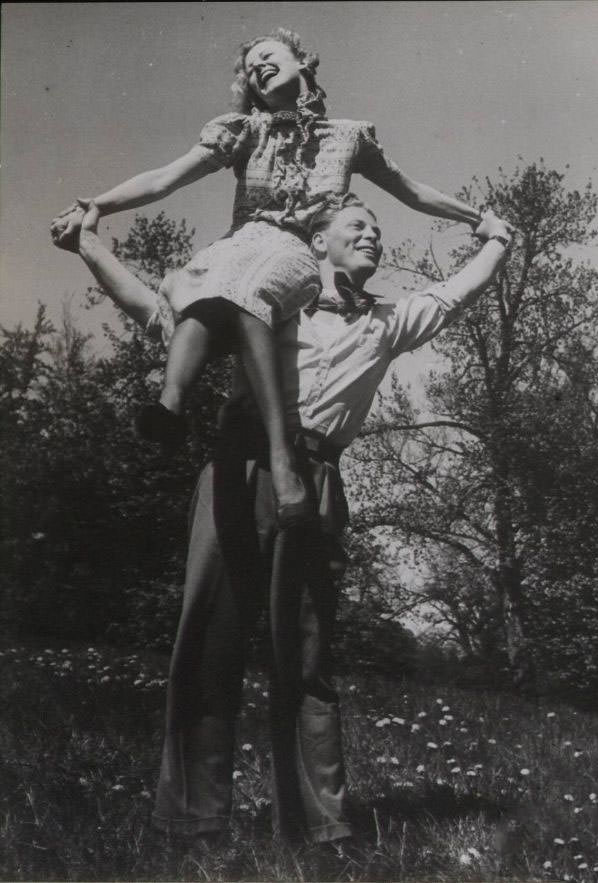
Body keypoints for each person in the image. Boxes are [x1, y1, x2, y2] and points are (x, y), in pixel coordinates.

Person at [68, 193, 513, 845]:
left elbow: (453, 294)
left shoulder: (387, 321)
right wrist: (90, 244)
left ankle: (320, 829)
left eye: (379, 231)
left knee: (306, 659)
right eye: (357, 227)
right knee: (209, 642)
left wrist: (497, 239)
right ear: (318, 243)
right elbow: (160, 311)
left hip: (319, 481)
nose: (373, 237)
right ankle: (192, 821)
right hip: (240, 469)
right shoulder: (265, 302)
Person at [50, 27, 485, 527]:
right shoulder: (243, 132)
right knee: (198, 294)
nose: (259, 67)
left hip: (293, 250)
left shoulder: (349, 137)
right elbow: (165, 178)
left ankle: (281, 457)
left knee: (247, 290)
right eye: (251, 68)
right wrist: (98, 204)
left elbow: (412, 191)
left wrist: (475, 218)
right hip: (239, 243)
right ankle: (170, 406)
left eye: (268, 55)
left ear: (304, 62)